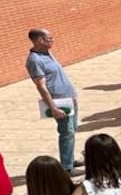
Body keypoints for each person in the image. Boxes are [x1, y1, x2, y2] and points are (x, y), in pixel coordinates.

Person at [26, 28, 81, 172]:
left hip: (69, 98)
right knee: (66, 132)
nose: (52, 41)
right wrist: (53, 108)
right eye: (49, 38)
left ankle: (69, 159)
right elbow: (41, 86)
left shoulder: (47, 53)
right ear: (39, 40)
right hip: (59, 102)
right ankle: (67, 168)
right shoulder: (35, 60)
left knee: (72, 130)